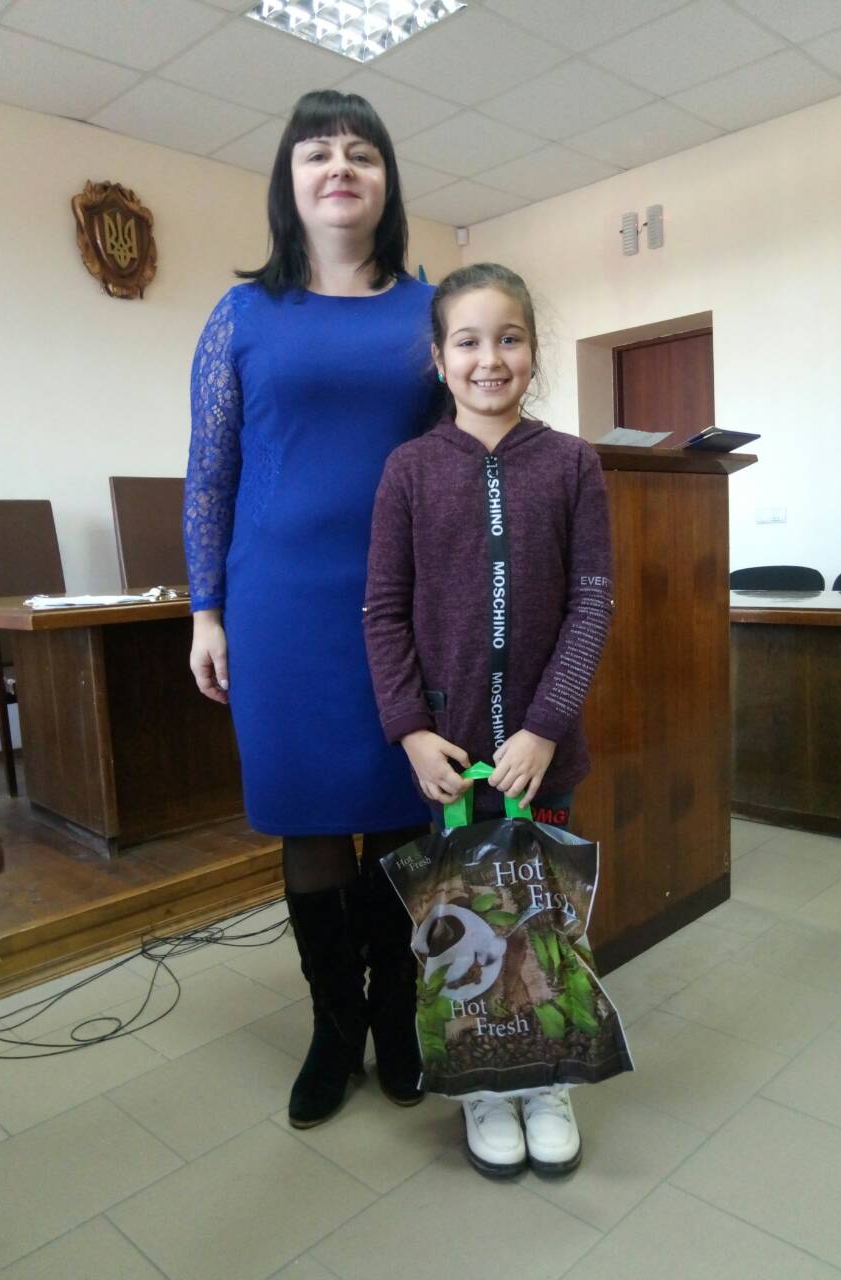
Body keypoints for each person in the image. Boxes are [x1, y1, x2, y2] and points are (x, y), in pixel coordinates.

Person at [183, 90, 440, 1131]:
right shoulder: (241, 315)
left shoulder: (431, 310)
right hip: (280, 608)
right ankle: (335, 1025)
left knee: (401, 813)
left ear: (387, 181)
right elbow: (210, 471)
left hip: (402, 606)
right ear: (288, 182)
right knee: (308, 818)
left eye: (361, 153)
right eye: (317, 153)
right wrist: (206, 610)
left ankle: (398, 1014)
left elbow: (467, 446)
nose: (340, 167)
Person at [363, 262, 615, 1177]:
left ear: (533, 352)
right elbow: (383, 611)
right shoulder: (410, 469)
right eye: (467, 341)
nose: (489, 358)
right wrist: (409, 730)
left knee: (540, 918)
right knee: (461, 924)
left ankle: (544, 1077)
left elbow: (591, 603)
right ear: (439, 359)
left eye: (508, 338)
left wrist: (544, 727)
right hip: (451, 758)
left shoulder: (573, 464)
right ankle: (482, 1083)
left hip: (541, 758)